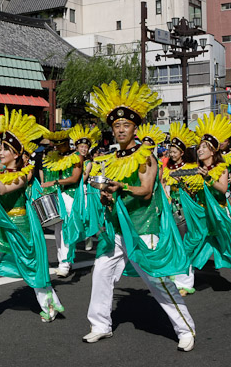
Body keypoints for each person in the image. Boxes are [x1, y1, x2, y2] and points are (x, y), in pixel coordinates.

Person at [82, 80, 195, 350]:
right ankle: (100, 325)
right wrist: (107, 196)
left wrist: (121, 187)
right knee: (101, 274)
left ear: (134, 128)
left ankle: (185, 329)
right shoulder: (110, 159)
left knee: (158, 281)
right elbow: (109, 192)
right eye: (116, 126)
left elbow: (145, 191)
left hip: (144, 228)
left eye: (126, 126)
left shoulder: (146, 156)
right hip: (117, 231)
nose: (120, 130)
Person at [0, 106, 64, 323]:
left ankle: (49, 306)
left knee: (31, 269)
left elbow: (3, 190)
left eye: (4, 149)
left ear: (15, 154)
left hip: (19, 226)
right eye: (0, 148)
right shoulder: (0, 173)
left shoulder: (24, 175)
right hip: (0, 229)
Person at [180, 113, 231, 298]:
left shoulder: (221, 168)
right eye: (199, 147)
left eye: (204, 147)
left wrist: (207, 178)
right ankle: (184, 283)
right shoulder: (196, 170)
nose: (200, 150)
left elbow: (223, 189)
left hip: (219, 213)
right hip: (202, 216)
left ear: (213, 151)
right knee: (192, 246)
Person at [160, 122, 200, 296]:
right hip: (171, 208)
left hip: (185, 210)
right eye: (170, 151)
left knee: (185, 244)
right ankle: (177, 276)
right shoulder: (168, 168)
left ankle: (187, 281)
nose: (171, 154)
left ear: (182, 152)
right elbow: (161, 183)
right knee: (174, 243)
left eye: (175, 151)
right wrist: (166, 197)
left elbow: (195, 190)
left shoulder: (190, 168)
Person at [40, 128, 83, 278]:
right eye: (55, 145)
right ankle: (63, 261)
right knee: (59, 231)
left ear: (67, 143)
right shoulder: (54, 157)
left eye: (60, 145)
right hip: (57, 195)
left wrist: (55, 182)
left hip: (70, 195)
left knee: (65, 230)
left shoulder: (77, 156)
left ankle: (65, 263)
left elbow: (74, 178)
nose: (57, 148)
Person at [70, 123, 102, 252]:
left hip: (83, 190)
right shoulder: (72, 159)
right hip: (73, 189)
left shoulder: (88, 162)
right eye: (81, 146)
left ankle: (89, 237)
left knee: (87, 214)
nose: (84, 149)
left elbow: (82, 178)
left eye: (86, 147)